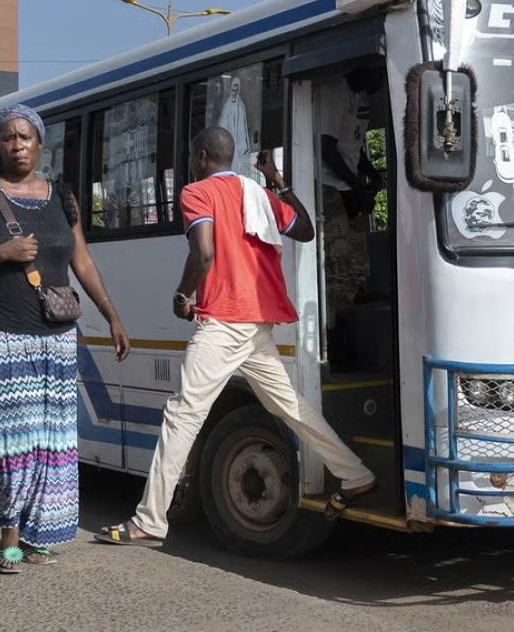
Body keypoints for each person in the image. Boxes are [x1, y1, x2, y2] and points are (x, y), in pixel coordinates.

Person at [96, 127, 376, 546]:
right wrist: (278, 183)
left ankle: (150, 519)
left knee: (182, 415)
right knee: (289, 405)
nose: (192, 165)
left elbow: (204, 253)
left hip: (224, 322)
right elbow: (305, 231)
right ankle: (356, 474)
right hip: (257, 322)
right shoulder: (259, 195)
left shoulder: (196, 194)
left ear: (203, 156)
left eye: (193, 158)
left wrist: (182, 294)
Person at [0, 105, 130, 572]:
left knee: (53, 439)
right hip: (2, 331)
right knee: (15, 439)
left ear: (41, 144)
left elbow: (81, 261)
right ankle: (8, 535)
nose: (18, 145)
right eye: (9, 138)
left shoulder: (62, 196)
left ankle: (37, 532)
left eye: (26, 137)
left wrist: (111, 314)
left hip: (57, 334)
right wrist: (1, 252)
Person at [320, 67, 383, 315]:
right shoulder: (335, 91)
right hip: (329, 185)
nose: (380, 79)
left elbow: (354, 147)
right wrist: (358, 186)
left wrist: (373, 173)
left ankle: (352, 315)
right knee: (340, 265)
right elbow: (326, 148)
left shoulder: (361, 97)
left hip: (348, 184)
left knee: (358, 264)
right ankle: (336, 325)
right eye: (377, 70)